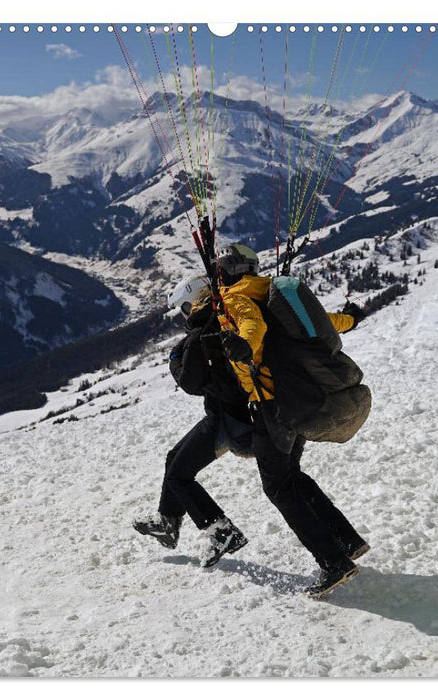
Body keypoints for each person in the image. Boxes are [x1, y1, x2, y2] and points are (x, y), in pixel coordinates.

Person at [214, 244, 369, 598]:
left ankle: (333, 562)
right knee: (291, 477)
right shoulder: (271, 292)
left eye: (222, 267)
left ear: (230, 270)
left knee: (279, 486)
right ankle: (346, 541)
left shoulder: (236, 298)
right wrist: (352, 319)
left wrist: (242, 344)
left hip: (272, 406)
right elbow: (323, 321)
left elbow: (251, 327)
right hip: (296, 401)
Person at [132, 276, 255, 568]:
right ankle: (167, 521)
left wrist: (176, 359)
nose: (184, 316)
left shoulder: (202, 333)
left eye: (184, 308)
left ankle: (222, 532)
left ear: (193, 302)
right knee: (175, 458)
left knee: (178, 476)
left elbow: (190, 382)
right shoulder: (223, 318)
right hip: (233, 411)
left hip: (228, 417)